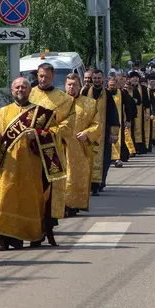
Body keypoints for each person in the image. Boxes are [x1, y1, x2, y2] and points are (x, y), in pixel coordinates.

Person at [0, 77, 50, 250]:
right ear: (12, 91)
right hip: (8, 166)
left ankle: (32, 234)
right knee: (5, 199)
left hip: (32, 166)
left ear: (30, 90)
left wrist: (38, 135)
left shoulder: (41, 113)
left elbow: (56, 133)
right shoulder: (1, 113)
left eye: (24, 87)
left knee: (30, 200)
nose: (20, 90)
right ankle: (4, 238)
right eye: (17, 87)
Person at [29, 63, 75, 239]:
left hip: (51, 150)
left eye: (46, 77)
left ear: (52, 77)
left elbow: (68, 125)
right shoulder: (29, 93)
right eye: (40, 76)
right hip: (29, 150)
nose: (43, 79)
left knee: (48, 188)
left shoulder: (64, 99)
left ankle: (45, 223)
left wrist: (46, 134)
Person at [64, 74, 101, 216]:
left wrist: (87, 134)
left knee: (76, 177)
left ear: (80, 86)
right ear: (65, 85)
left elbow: (96, 124)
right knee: (62, 178)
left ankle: (74, 205)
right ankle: (62, 206)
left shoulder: (90, 104)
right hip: (61, 147)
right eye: (69, 84)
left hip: (80, 148)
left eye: (74, 84)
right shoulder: (58, 102)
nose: (71, 87)